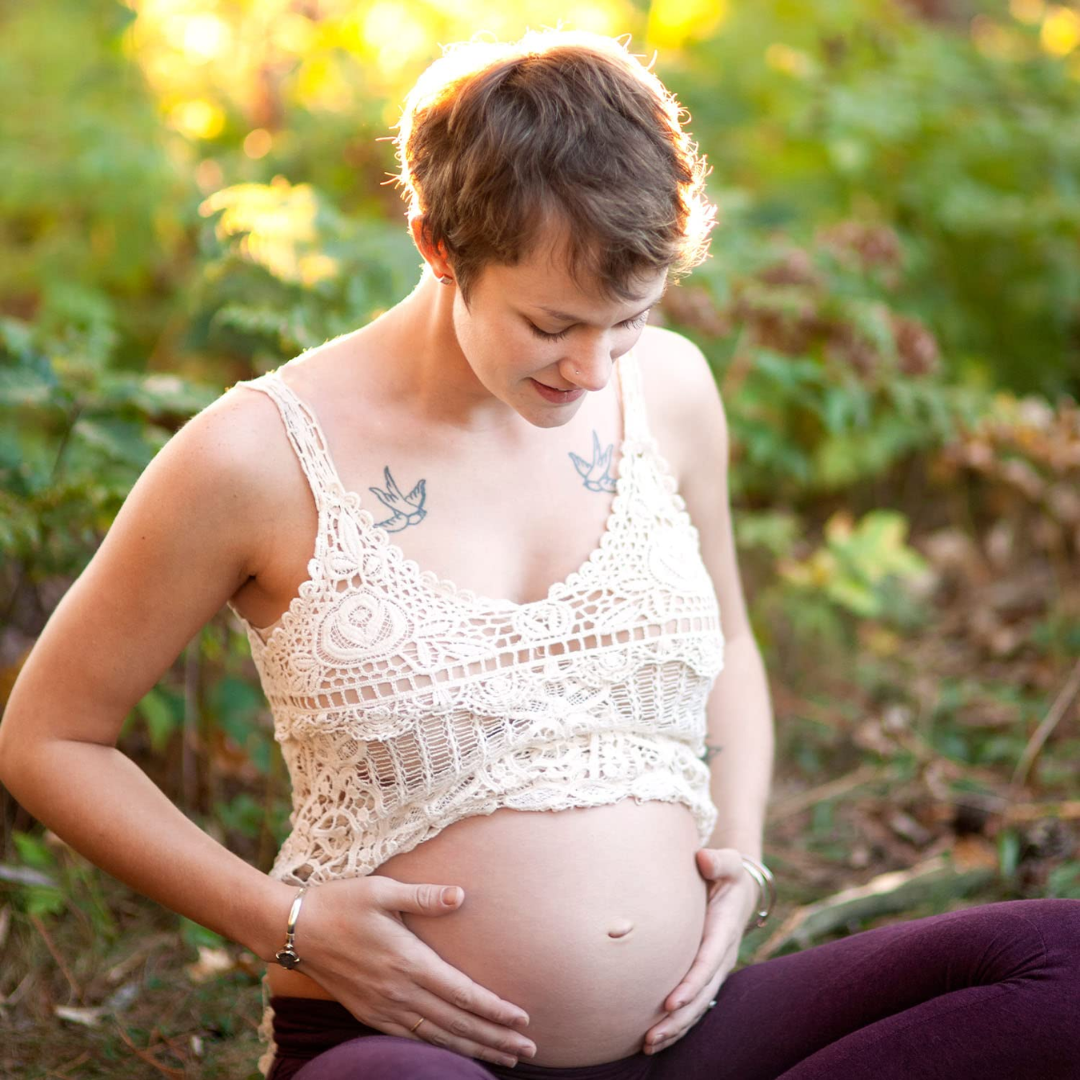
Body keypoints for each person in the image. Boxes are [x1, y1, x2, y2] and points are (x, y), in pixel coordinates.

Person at [1, 25, 1078, 1080]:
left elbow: (735, 648)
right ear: (439, 245)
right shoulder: (257, 457)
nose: (595, 369)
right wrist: (288, 922)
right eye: (552, 325)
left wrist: (740, 863)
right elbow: (51, 738)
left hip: (684, 1036)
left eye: (630, 322)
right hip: (407, 1049)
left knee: (1058, 964)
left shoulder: (674, 393)